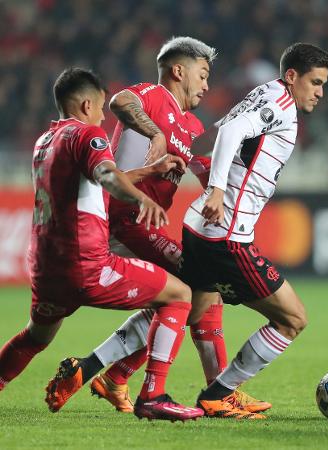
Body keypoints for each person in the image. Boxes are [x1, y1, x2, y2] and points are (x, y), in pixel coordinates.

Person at [44, 37, 269, 418]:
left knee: (182, 298)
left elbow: (197, 166)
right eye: (203, 74)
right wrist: (155, 133)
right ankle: (218, 391)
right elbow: (120, 102)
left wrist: (219, 182)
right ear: (178, 71)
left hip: (143, 224)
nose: (207, 85)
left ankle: (102, 372)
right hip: (125, 218)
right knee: (202, 287)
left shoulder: (191, 123)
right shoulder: (153, 94)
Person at [0, 67, 204, 422]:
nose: (103, 119)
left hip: (47, 268)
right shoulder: (88, 135)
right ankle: (152, 396)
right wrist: (141, 199)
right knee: (181, 294)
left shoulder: (45, 141)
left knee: (35, 337)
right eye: (99, 110)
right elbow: (108, 176)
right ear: (86, 104)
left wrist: (148, 172)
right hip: (88, 264)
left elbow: (94, 179)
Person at [178, 43, 328, 419]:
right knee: (292, 319)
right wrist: (216, 187)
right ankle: (220, 393)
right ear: (292, 76)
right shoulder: (279, 103)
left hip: (198, 226)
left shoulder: (263, 92)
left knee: (181, 309)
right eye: (315, 82)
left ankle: (100, 367)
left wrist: (205, 171)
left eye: (324, 84)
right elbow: (230, 130)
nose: (320, 92)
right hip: (226, 236)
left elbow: (224, 134)